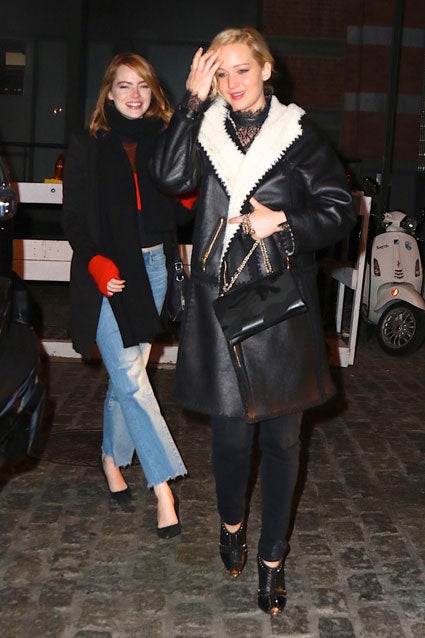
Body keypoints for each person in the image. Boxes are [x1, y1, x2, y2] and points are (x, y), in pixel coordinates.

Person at [151, 27, 356, 612]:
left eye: (242, 69)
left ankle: (272, 559)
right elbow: (169, 178)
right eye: (221, 73)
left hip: (281, 307)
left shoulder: (299, 135)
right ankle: (231, 523)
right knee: (231, 440)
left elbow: (341, 209)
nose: (232, 82)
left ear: (267, 69)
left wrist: (283, 223)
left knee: (284, 441)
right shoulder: (206, 128)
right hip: (222, 305)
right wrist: (190, 105)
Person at [62, 52, 187, 540]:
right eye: (124, 86)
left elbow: (178, 211)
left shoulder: (162, 142)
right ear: (109, 94)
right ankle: (163, 488)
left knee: (127, 374)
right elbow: (73, 218)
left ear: (153, 92)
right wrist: (95, 261)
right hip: (108, 274)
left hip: (153, 267)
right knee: (134, 380)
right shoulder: (88, 144)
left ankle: (111, 457)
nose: (134, 95)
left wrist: (189, 194)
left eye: (142, 86)